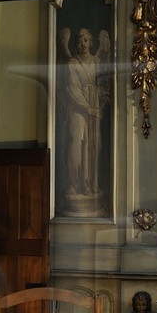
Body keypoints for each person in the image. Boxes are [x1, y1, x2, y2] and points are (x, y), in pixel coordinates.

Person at [61, 25, 110, 203]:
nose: (83, 44)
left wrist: (100, 98)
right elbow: (71, 88)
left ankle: (89, 184)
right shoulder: (72, 64)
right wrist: (88, 108)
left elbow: (102, 82)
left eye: (85, 40)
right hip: (78, 108)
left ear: (90, 42)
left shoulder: (96, 62)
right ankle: (73, 185)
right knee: (76, 141)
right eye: (79, 41)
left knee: (94, 145)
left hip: (94, 106)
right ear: (75, 44)